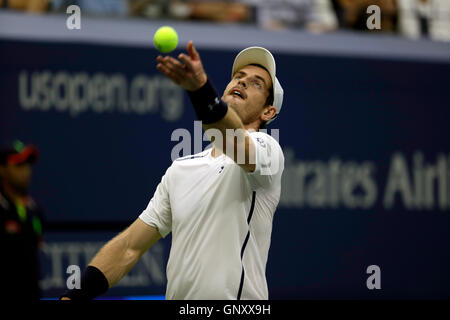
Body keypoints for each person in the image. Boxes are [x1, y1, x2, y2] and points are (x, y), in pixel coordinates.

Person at [61, 41, 285, 300]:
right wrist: (72, 296)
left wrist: (201, 89)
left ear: (269, 111)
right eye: (238, 77)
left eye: (256, 83)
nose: (242, 82)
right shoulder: (180, 170)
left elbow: (232, 139)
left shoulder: (268, 150)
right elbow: (129, 248)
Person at [0, 140, 44, 301]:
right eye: (18, 165)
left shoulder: (34, 209)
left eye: (27, 165)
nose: (25, 171)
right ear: (2, 170)